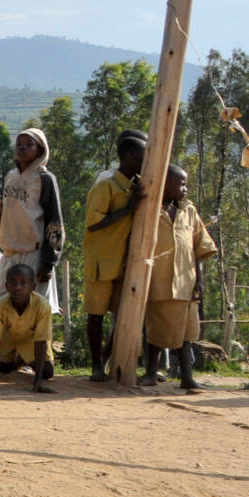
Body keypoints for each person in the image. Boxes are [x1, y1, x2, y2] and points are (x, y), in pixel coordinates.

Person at [140, 165, 216, 392]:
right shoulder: (150, 211)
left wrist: (199, 280)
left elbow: (198, 247)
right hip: (158, 282)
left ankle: (187, 376)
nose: (185, 189)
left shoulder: (189, 210)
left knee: (186, 334)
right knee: (155, 332)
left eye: (186, 184)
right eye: (180, 184)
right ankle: (151, 373)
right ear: (164, 185)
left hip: (185, 283)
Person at [84, 130, 148, 381]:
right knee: (96, 315)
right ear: (130, 155)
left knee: (123, 313)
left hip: (124, 261)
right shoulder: (106, 186)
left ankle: (107, 356)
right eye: (144, 154)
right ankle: (96, 364)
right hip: (101, 260)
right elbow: (92, 223)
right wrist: (128, 209)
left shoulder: (137, 185)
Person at [0, 129, 65, 306]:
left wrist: (48, 263)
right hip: (8, 253)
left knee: (33, 310)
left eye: (29, 144)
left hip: (34, 255)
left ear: (40, 150)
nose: (22, 148)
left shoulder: (44, 179)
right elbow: (13, 215)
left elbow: (54, 222)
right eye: (19, 144)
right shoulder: (11, 176)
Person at [0, 263, 56, 393]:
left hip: (31, 341)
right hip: (9, 339)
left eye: (23, 283)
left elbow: (41, 341)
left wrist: (37, 382)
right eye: (13, 283)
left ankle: (23, 359)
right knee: (5, 368)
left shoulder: (42, 306)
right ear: (6, 286)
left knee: (47, 372)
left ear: (32, 287)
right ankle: (15, 361)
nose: (17, 288)